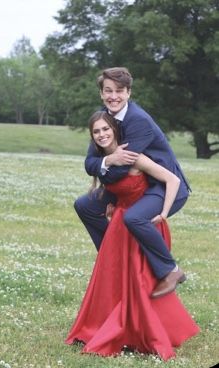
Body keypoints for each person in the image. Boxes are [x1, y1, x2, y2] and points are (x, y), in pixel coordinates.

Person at [65, 112, 200, 360]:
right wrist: (113, 201)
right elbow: (115, 187)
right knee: (114, 278)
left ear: (115, 131)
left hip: (141, 223)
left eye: (106, 129)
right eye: (97, 132)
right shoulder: (104, 160)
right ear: (92, 137)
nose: (102, 134)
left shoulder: (133, 157)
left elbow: (172, 180)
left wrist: (164, 212)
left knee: (138, 283)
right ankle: (110, 328)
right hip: (120, 223)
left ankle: (144, 332)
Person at [74, 67, 191, 298]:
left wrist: (107, 164)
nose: (113, 96)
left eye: (119, 91)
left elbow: (120, 172)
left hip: (162, 186)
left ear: (128, 93)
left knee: (134, 217)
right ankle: (111, 253)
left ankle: (171, 270)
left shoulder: (139, 121)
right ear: (101, 94)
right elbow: (90, 164)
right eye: (108, 91)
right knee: (85, 205)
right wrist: (110, 159)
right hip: (131, 185)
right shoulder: (103, 117)